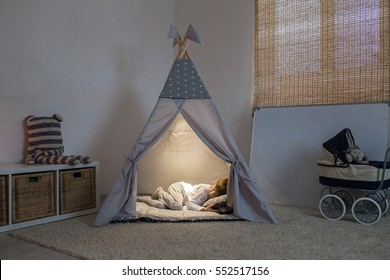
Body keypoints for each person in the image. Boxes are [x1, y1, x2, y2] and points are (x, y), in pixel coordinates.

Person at [137, 178, 228, 212]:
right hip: (179, 189)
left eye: (214, 194)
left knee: (160, 205)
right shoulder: (204, 190)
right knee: (176, 206)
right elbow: (190, 204)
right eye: (213, 188)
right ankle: (160, 192)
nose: (211, 193)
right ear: (215, 184)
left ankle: (145, 199)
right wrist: (204, 209)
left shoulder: (212, 197)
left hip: (180, 198)